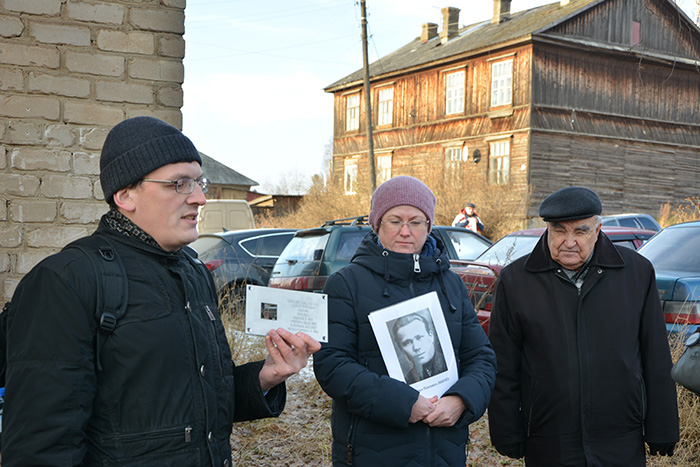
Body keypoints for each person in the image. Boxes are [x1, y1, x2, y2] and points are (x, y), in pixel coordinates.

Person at [2, 116, 321, 466]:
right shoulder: (66, 281)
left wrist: (266, 376)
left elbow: (202, 404)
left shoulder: (194, 272)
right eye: (179, 184)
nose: (199, 198)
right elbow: (42, 445)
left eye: (201, 182)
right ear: (125, 195)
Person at [488, 186, 679, 466]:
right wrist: (506, 431)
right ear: (547, 230)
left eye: (581, 231)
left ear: (598, 229)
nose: (569, 241)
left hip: (620, 437)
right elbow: (502, 364)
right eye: (560, 230)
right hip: (549, 438)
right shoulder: (516, 280)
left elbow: (656, 355)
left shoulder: (636, 273)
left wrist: (662, 426)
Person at [313, 175, 497, 466]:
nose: (405, 231)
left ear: (428, 226)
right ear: (377, 224)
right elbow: (332, 365)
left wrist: (462, 400)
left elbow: (481, 357)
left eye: (416, 221)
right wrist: (402, 404)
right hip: (372, 451)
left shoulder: (451, 284)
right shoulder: (346, 283)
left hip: (444, 449)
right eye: (395, 220)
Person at [392, 312, 447, 384]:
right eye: (407, 342)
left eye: (419, 337)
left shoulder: (448, 363)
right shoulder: (408, 379)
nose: (416, 347)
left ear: (431, 336)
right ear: (401, 349)